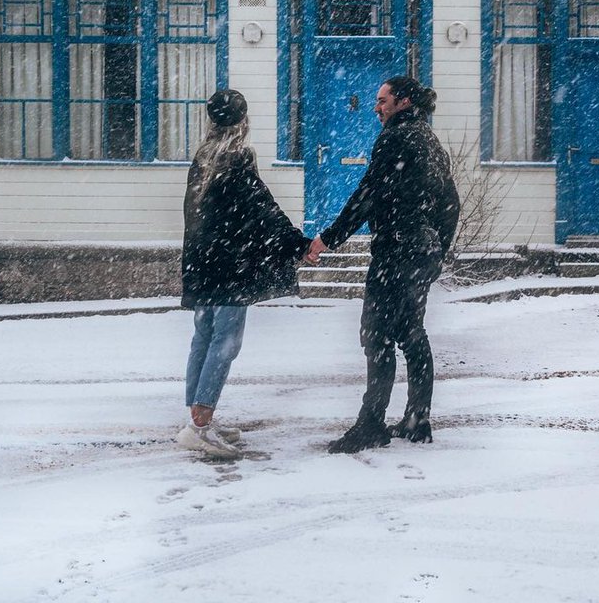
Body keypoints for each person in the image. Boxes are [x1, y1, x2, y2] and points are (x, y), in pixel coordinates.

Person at [306, 75, 460, 454]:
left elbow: (368, 194)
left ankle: (371, 424)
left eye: (383, 100)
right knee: (412, 333)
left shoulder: (396, 138)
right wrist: (438, 248)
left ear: (403, 102)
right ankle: (417, 418)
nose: (376, 107)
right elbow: (450, 203)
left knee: (376, 335)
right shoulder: (429, 140)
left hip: (397, 250)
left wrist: (328, 238)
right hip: (421, 251)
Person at [177, 88, 310, 459]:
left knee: (204, 337)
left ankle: (199, 417)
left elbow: (198, 215)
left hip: (203, 262)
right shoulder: (237, 157)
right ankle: (199, 426)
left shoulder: (204, 157)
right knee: (226, 340)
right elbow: (262, 208)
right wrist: (298, 244)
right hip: (227, 267)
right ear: (243, 121)